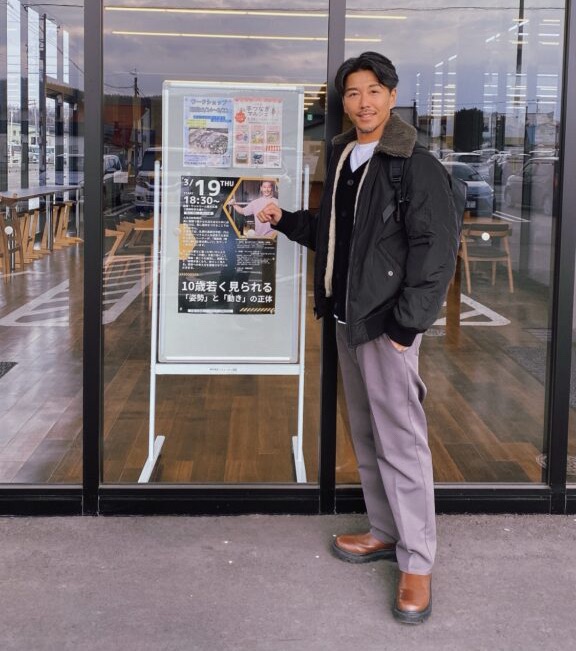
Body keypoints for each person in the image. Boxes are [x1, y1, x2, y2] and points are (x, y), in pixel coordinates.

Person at [257, 52, 460, 624]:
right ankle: (384, 531)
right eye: (352, 93)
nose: (363, 101)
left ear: (392, 96)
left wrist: (406, 326)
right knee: (369, 435)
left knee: (402, 440)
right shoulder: (346, 156)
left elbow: (435, 251)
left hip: (387, 324)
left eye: (374, 90)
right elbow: (333, 234)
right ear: (343, 103)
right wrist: (283, 219)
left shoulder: (414, 165)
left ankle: (417, 561)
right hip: (349, 319)